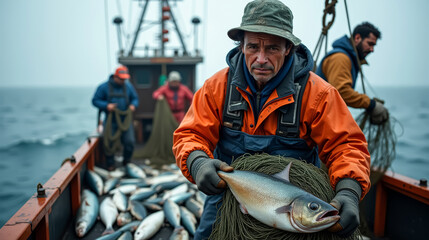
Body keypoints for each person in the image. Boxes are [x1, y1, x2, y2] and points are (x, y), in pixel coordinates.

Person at [172, 0, 370, 239]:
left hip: (293, 200)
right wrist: (197, 161)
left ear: (288, 48)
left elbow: (346, 145)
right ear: (241, 46)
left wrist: (349, 191)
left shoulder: (318, 94)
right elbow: (190, 134)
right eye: (253, 47)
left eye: (273, 48)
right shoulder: (217, 88)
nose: (261, 58)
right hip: (228, 195)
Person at [315, 22, 388, 124]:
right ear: (357, 38)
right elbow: (342, 92)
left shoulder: (348, 58)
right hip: (317, 121)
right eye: (370, 44)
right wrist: (371, 104)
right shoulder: (341, 58)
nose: (372, 50)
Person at [92, 65, 139, 170]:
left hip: (125, 120)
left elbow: (135, 98)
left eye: (125, 79)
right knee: (109, 142)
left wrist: (133, 105)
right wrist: (106, 105)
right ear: (115, 76)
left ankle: (126, 163)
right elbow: (95, 101)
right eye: (121, 79)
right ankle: (110, 164)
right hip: (110, 120)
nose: (123, 81)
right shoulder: (103, 87)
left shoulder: (128, 87)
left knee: (130, 142)